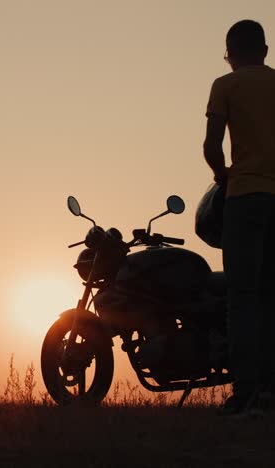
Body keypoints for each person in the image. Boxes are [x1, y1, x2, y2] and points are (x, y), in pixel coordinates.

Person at [203, 19, 275, 415]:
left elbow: (213, 146)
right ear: (264, 51)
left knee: (243, 297)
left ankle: (247, 394)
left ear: (229, 55)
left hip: (246, 197)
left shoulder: (225, 85)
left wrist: (222, 177)